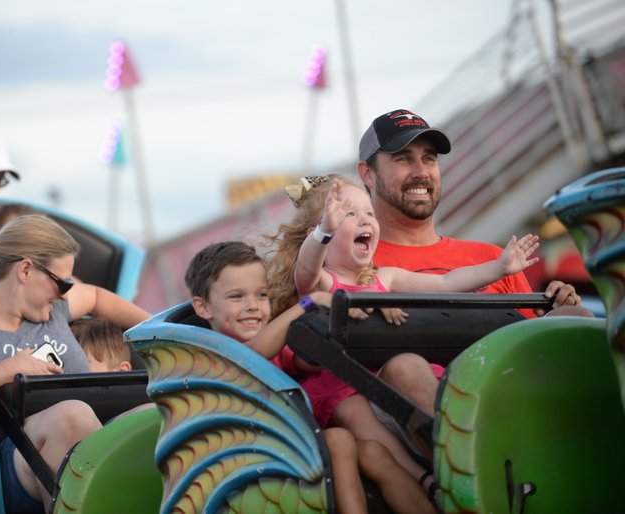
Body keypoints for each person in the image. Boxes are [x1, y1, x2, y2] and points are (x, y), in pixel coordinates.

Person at [266, 174, 538, 501]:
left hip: (385, 378)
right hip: (345, 385)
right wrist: (324, 230)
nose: (365, 219)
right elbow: (306, 271)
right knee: (354, 414)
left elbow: (446, 284)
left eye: (368, 212)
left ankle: (482, 462)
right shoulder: (323, 281)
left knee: (439, 383)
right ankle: (426, 481)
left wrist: (498, 268)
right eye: (349, 214)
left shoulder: (385, 278)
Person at [0, 214, 151, 513]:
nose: (66, 293)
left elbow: (99, 298)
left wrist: (160, 330)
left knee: (157, 413)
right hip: (10, 467)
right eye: (61, 283)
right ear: (25, 270)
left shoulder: (54, 309)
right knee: (70, 416)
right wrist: (8, 369)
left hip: (93, 445)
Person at [354, 108, 591, 414]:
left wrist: (560, 308)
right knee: (406, 368)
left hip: (509, 396)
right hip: (410, 422)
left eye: (429, 158)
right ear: (367, 173)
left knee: (578, 319)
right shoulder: (354, 261)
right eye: (403, 158)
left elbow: (532, 346)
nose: (421, 171)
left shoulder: (492, 258)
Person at [185, 241, 437, 514]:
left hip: (300, 445)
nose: (253, 306)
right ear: (203, 307)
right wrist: (310, 302)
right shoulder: (209, 355)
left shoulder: (276, 345)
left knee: (373, 452)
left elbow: (311, 359)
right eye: (237, 297)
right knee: (339, 439)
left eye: (261, 295)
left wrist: (366, 311)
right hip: (252, 453)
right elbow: (252, 355)